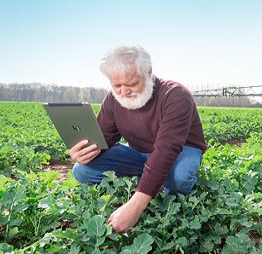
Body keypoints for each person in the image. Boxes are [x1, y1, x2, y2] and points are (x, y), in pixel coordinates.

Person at [69, 46, 207, 233]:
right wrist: (84, 150)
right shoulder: (113, 99)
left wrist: (135, 205)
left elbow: (166, 150)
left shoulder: (175, 95)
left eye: (132, 83)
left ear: (148, 72)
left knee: (178, 178)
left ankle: (162, 183)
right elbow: (105, 137)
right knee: (82, 171)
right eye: (116, 85)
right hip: (138, 152)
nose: (124, 92)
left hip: (181, 150)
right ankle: (151, 178)